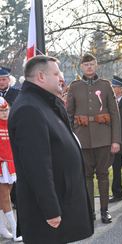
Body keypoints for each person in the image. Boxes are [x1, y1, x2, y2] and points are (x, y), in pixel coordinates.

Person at [8, 56, 93, 243]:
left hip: (64, 202)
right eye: (56, 73)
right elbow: (36, 166)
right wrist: (51, 210)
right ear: (41, 76)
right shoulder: (28, 109)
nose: (61, 78)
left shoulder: (46, 103)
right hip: (48, 213)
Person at [66, 53, 121, 224]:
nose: (89, 67)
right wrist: (70, 139)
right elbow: (69, 115)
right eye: (86, 64)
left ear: (96, 65)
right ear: (81, 67)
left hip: (103, 138)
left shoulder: (105, 86)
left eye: (91, 64)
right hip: (82, 139)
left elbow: (114, 114)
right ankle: (90, 212)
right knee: (87, 176)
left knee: (103, 175)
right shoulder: (74, 87)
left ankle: (104, 211)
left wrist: (116, 140)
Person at [0, 97, 22, 242]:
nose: (4, 113)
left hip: (11, 164)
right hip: (1, 165)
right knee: (4, 197)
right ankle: (15, 230)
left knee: (3, 197)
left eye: (6, 110)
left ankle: (2, 228)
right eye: (1, 111)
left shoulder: (11, 124)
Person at [0, 67, 20, 210]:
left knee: (14, 172)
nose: (1, 82)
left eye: (4, 79)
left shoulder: (17, 94)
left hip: (13, 136)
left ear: (9, 80)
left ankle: (16, 201)